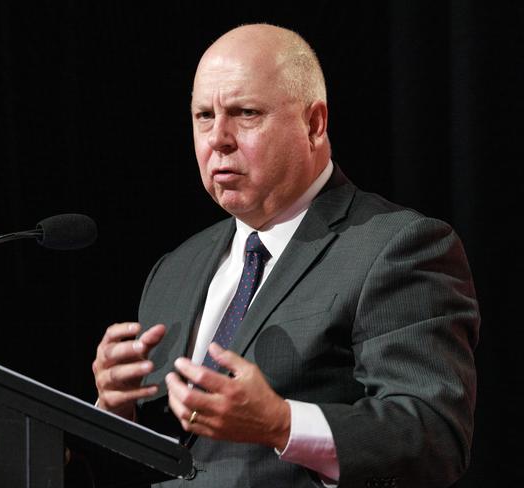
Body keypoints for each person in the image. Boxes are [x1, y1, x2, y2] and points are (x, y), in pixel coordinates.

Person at [92, 24, 479, 488]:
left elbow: (432, 440)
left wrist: (281, 423)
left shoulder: (397, 247)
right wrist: (115, 411)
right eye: (203, 116)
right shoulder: (175, 268)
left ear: (314, 124)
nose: (218, 138)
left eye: (245, 113)